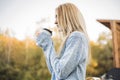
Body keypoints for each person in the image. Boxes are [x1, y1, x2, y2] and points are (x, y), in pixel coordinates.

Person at [35, 3, 90, 80]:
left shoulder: (77, 37)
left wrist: (47, 43)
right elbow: (55, 72)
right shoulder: (72, 38)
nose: (55, 22)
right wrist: (45, 45)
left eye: (57, 16)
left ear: (66, 17)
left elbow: (61, 72)